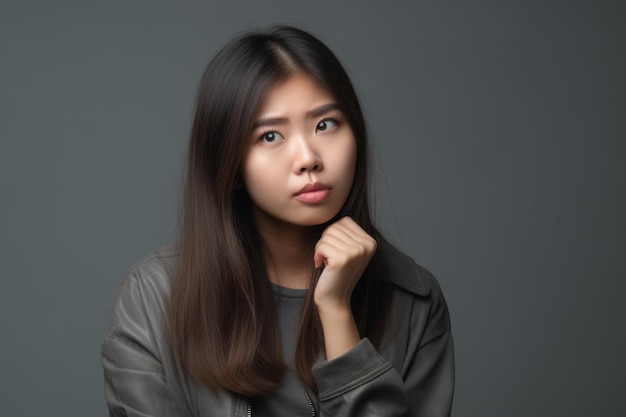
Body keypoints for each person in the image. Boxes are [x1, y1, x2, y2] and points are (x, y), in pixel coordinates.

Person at [101, 26, 454, 417]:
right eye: (270, 136)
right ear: (230, 166)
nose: (307, 158)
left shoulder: (413, 301)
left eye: (325, 124)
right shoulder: (152, 300)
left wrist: (336, 312)